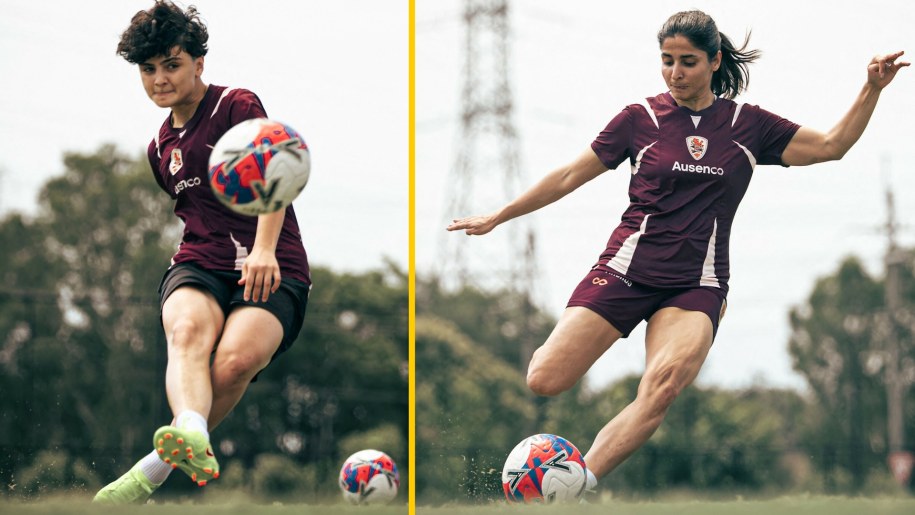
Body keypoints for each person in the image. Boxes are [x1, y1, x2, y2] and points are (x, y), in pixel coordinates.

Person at [448, 9, 907, 493]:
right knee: (544, 377)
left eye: (687, 61)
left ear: (714, 61)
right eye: (666, 60)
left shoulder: (746, 126)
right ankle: (564, 481)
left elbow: (832, 145)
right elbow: (567, 176)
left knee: (661, 388)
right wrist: (500, 214)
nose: (675, 72)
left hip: (696, 285)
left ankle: (575, 487)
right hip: (626, 271)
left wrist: (871, 88)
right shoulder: (638, 119)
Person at [93, 0, 311, 503]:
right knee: (187, 330)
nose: (159, 79)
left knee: (235, 363)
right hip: (199, 261)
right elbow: (193, 215)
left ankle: (154, 468)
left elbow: (273, 168)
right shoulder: (159, 149)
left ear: (198, 63)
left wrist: (263, 249)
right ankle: (190, 427)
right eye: (148, 70)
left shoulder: (236, 105)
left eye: (171, 64)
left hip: (273, 263)